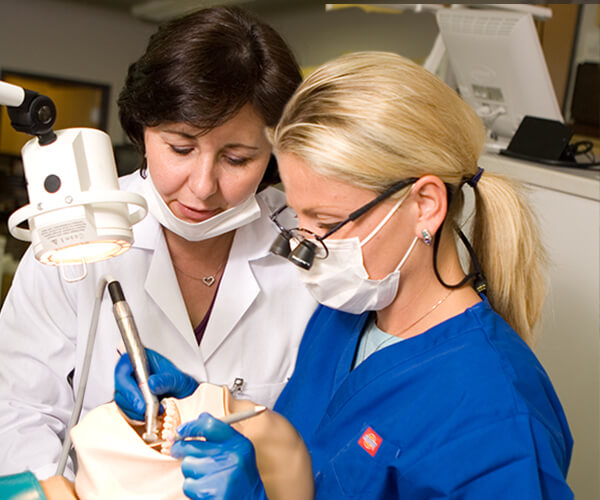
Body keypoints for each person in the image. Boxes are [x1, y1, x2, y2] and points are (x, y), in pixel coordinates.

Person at [119, 51, 573, 499]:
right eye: (299, 218)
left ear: (425, 206)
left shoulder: (496, 410)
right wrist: (203, 400)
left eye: (327, 220)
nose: (307, 247)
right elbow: (317, 454)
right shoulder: (344, 319)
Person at [0, 5, 316, 490]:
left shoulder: (312, 248)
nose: (203, 186)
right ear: (142, 129)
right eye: (181, 148)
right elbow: (18, 409)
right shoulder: (76, 234)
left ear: (274, 155)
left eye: (237, 158)